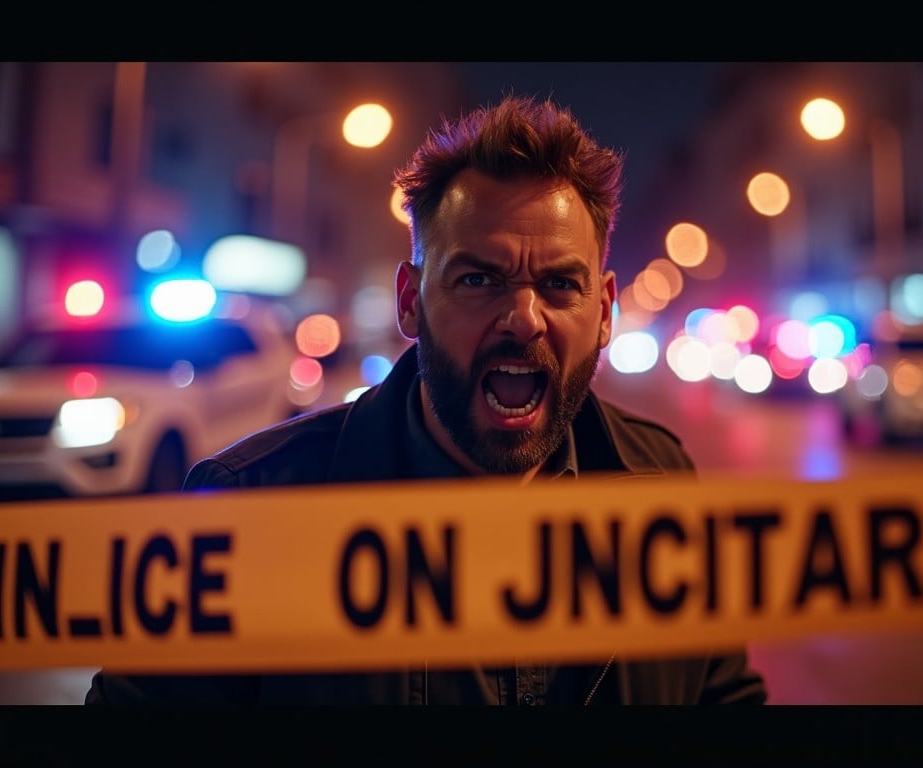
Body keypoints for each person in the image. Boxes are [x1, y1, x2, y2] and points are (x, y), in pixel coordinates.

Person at [85, 94, 767, 705]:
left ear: (606, 309)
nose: (524, 318)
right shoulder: (245, 508)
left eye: (561, 285)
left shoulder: (663, 483)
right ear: (412, 301)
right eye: (479, 280)